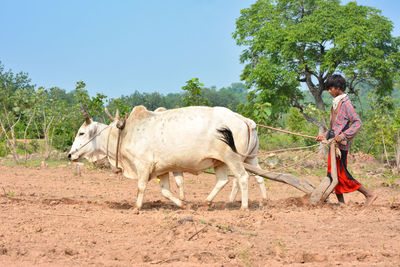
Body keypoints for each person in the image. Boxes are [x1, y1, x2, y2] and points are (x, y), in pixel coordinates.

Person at [316, 74, 377, 206]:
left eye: (331, 88)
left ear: (338, 88)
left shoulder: (346, 104)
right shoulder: (335, 103)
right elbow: (334, 128)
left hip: (340, 147)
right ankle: (341, 203)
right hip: (333, 145)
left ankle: (369, 194)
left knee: (342, 174)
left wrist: (343, 136)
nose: (329, 91)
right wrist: (325, 136)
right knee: (333, 174)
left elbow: (357, 123)